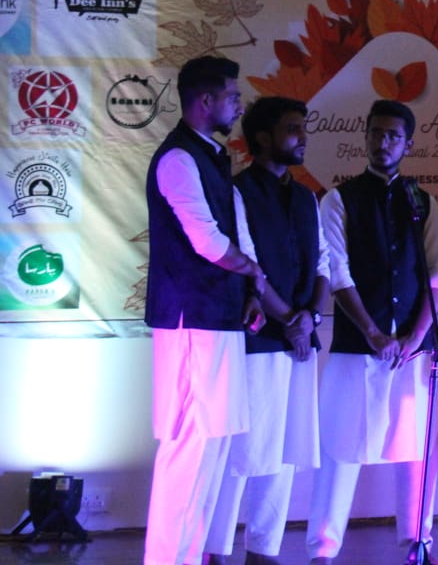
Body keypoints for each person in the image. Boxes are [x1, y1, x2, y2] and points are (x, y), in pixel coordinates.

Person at [306, 100, 438, 564]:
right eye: (376, 133)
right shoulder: (339, 199)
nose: (382, 142)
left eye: (393, 136)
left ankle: (417, 543)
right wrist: (371, 332)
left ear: (408, 144)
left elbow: (437, 275)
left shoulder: (422, 202)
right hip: (357, 346)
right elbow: (337, 271)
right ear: (365, 137)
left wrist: (413, 337)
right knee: (340, 446)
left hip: (413, 348)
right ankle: (323, 548)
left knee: (416, 451)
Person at [144, 55, 268, 565]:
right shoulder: (178, 159)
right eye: (233, 97)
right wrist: (254, 273)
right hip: (190, 318)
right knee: (189, 446)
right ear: (206, 101)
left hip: (219, 317)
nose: (239, 106)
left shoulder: (212, 157)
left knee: (213, 445)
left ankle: (189, 556)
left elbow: (235, 234)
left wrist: (252, 291)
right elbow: (209, 242)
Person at [207, 97, 329, 565]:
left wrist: (310, 317)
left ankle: (264, 548)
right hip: (257, 340)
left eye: (303, 128)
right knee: (243, 448)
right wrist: (290, 319)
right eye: (292, 128)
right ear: (262, 138)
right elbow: (248, 264)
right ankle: (216, 549)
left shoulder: (305, 197)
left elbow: (322, 264)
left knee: (283, 449)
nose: (303, 137)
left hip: (300, 338)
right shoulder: (238, 192)